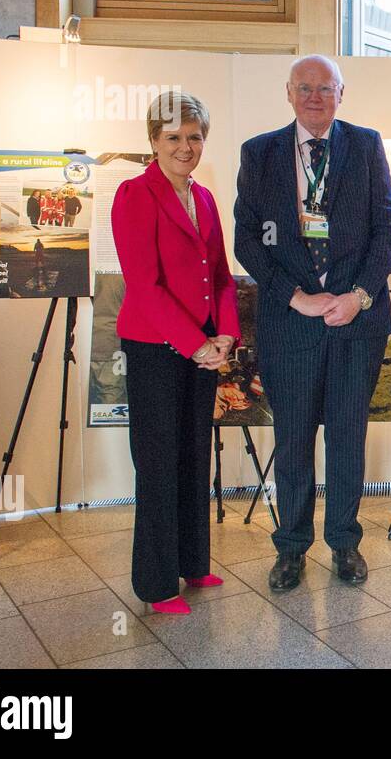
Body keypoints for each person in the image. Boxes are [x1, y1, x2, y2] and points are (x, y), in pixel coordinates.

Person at [234, 55, 391, 592]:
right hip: (291, 324)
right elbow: (245, 240)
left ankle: (345, 543)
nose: (314, 97)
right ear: (288, 93)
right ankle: (291, 549)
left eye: (324, 88)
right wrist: (295, 297)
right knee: (294, 437)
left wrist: (358, 295)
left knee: (349, 437)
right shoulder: (259, 153)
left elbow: (388, 234)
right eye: (304, 88)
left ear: (341, 93)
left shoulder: (367, 145)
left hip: (356, 322)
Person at [112, 92, 240, 615]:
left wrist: (225, 337)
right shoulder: (134, 195)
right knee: (159, 461)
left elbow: (222, 277)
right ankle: (157, 582)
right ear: (153, 142)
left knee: (193, 454)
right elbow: (144, 285)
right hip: (155, 349)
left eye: (194, 137)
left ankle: (192, 562)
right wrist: (195, 345)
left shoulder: (204, 197)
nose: (185, 147)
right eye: (174, 138)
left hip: (204, 349)